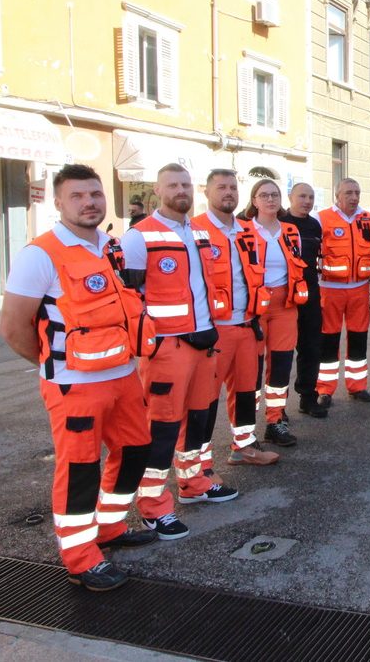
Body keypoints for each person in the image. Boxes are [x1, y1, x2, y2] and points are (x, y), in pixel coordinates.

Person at [0, 164, 156, 591]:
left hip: (123, 376)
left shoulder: (112, 246)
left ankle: (110, 528)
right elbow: (13, 327)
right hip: (75, 386)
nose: (89, 202)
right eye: (77, 196)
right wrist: (54, 366)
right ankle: (81, 556)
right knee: (81, 469)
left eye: (95, 194)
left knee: (136, 451)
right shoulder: (40, 254)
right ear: (59, 203)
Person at [121, 163, 236, 542]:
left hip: (204, 342)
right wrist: (148, 344)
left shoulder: (198, 232)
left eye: (185, 183)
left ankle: (193, 482)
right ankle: (153, 508)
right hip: (167, 348)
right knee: (163, 430)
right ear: (158, 190)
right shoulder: (139, 237)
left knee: (199, 422)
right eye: (172, 184)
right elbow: (129, 299)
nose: (180, 189)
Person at [192, 171, 278, 467]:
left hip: (247, 324)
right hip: (215, 331)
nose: (228, 192)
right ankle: (200, 465)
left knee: (246, 391)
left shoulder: (246, 230)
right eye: (221, 187)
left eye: (232, 187)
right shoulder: (193, 230)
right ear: (206, 191)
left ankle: (244, 446)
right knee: (205, 399)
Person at [243, 179, 310, 446]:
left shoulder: (291, 231)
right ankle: (245, 430)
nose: (270, 199)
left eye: (274, 195)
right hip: (255, 307)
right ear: (254, 201)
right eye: (264, 195)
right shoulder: (243, 231)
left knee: (281, 366)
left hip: (285, 305)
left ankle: (275, 421)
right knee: (252, 369)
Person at [313, 178, 370, 415]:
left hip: (359, 288)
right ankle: (325, 390)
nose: (354, 197)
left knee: (359, 338)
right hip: (330, 289)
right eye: (348, 193)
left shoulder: (367, 217)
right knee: (329, 341)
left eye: (357, 192)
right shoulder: (321, 218)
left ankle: (357, 386)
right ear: (337, 196)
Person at [281, 183, 324, 415]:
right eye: (302, 196)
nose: (307, 201)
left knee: (311, 348)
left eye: (310, 197)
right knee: (284, 353)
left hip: (311, 295)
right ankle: (278, 409)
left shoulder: (314, 225)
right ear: (290, 197)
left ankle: (308, 397)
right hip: (285, 298)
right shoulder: (280, 223)